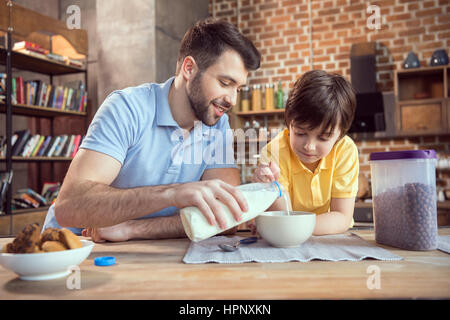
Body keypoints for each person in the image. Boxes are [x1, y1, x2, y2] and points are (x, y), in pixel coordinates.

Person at [42, 18, 261, 242]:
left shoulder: (216, 121)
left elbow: (226, 219)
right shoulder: (126, 108)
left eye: (239, 88)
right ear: (189, 69)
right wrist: (172, 194)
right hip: (76, 248)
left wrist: (132, 229)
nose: (232, 100)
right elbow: (69, 207)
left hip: (140, 248)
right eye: (225, 83)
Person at [252, 70, 358, 235]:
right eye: (300, 133)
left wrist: (292, 226)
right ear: (289, 123)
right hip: (290, 240)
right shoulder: (274, 152)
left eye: (323, 138)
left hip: (330, 239)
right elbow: (283, 217)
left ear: (340, 134)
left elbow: (342, 217)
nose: (309, 146)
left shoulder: (345, 150)